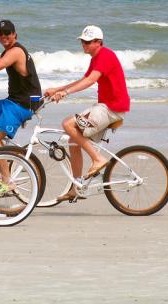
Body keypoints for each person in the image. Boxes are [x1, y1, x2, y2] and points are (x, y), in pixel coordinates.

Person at [44, 25, 130, 202]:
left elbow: (90, 81)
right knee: (73, 141)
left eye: (88, 42)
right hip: (105, 106)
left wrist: (65, 93)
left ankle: (98, 159)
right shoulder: (96, 58)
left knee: (68, 124)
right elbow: (83, 79)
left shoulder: (105, 55)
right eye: (82, 41)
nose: (83, 44)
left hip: (111, 108)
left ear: (99, 42)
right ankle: (76, 189)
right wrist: (57, 89)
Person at [0, 20, 42, 149]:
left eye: (7, 32)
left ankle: (5, 168)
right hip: (12, 101)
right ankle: (6, 154)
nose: (3, 36)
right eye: (0, 33)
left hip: (24, 104)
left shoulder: (16, 51)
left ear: (15, 34)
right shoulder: (7, 52)